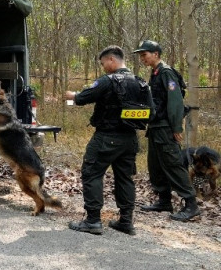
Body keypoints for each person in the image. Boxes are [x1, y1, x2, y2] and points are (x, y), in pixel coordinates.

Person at [65, 45, 154, 235]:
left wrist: (73, 96)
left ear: (112, 60)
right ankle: (126, 221)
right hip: (130, 140)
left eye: (104, 62)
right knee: (125, 178)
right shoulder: (140, 82)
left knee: (91, 173)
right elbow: (151, 112)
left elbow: (83, 98)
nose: (104, 67)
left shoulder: (108, 80)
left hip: (106, 137)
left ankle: (93, 221)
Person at [133, 40, 199, 222]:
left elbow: (175, 101)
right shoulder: (155, 73)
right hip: (155, 126)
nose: (142, 58)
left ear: (156, 54)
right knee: (156, 166)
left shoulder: (166, 72)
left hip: (165, 127)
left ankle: (191, 205)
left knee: (173, 165)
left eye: (144, 55)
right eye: (141, 56)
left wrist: (177, 127)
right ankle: (164, 201)